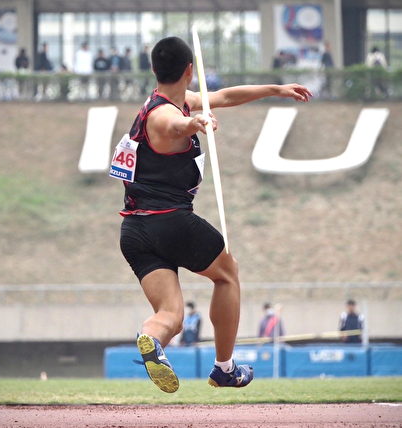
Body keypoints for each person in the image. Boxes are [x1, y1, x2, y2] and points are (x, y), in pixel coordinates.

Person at [112, 36, 311, 393]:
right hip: (169, 221)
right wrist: (196, 123)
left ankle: (150, 338)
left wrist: (276, 89)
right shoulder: (166, 114)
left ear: (155, 69)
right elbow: (174, 126)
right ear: (190, 70)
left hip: (135, 231)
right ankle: (225, 368)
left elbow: (225, 96)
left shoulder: (168, 102)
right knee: (228, 274)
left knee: (171, 317)